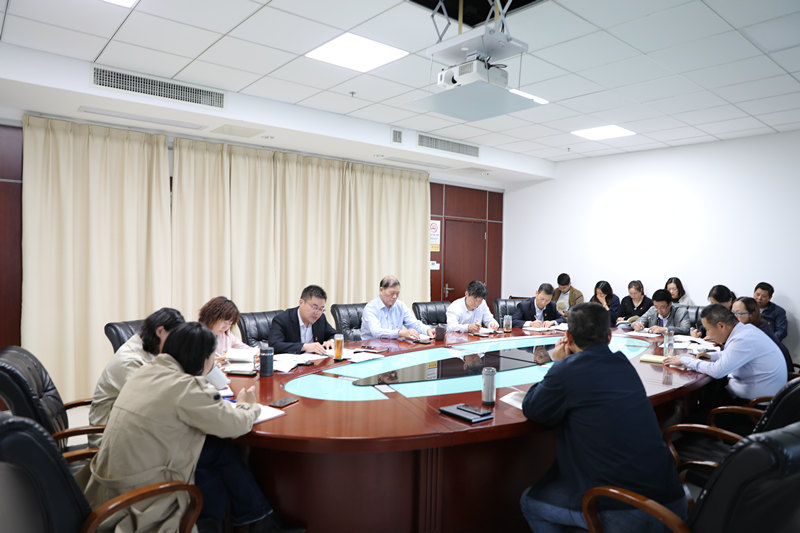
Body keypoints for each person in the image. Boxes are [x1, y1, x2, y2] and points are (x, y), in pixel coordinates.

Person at [81, 322, 302, 533]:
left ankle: (248, 520)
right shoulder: (185, 387)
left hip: (106, 487)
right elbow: (235, 425)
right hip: (139, 498)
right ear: (204, 359)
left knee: (214, 448)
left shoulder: (147, 371)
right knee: (218, 451)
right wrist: (248, 405)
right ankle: (253, 520)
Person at [520, 303, 687, 532]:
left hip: (623, 508)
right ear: (609, 336)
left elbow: (532, 408)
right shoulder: (624, 365)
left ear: (568, 337)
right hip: (673, 503)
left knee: (530, 502)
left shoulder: (567, 370)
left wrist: (558, 362)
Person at [88, 307, 185, 447]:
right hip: (111, 440)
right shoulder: (130, 361)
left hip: (133, 426)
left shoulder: (148, 348)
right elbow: (153, 405)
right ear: (160, 331)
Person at [664, 305, 787, 404]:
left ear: (721, 326)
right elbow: (732, 354)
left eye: (708, 329)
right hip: (753, 396)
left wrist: (685, 360)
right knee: (707, 392)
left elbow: (717, 371)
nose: (707, 334)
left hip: (752, 406)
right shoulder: (745, 330)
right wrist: (711, 357)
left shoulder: (742, 339)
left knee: (694, 413)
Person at [269, 284, 338, 354]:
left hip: (316, 359)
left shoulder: (320, 318)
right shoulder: (282, 319)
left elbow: (335, 334)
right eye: (314, 307)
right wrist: (304, 347)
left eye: (321, 309)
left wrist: (331, 341)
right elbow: (274, 345)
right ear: (301, 303)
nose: (317, 312)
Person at [361, 276, 435, 340]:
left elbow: (413, 323)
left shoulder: (400, 306)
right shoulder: (371, 308)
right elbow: (376, 332)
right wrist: (400, 333)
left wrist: (427, 330)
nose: (395, 297)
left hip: (395, 346)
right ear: (381, 290)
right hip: (373, 348)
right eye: (392, 293)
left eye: (397, 293)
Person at [733, 297, 793, 374]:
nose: (733, 317)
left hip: (779, 372)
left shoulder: (754, 332)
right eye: (732, 313)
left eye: (738, 313)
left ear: (751, 315)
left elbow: (734, 354)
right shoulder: (758, 324)